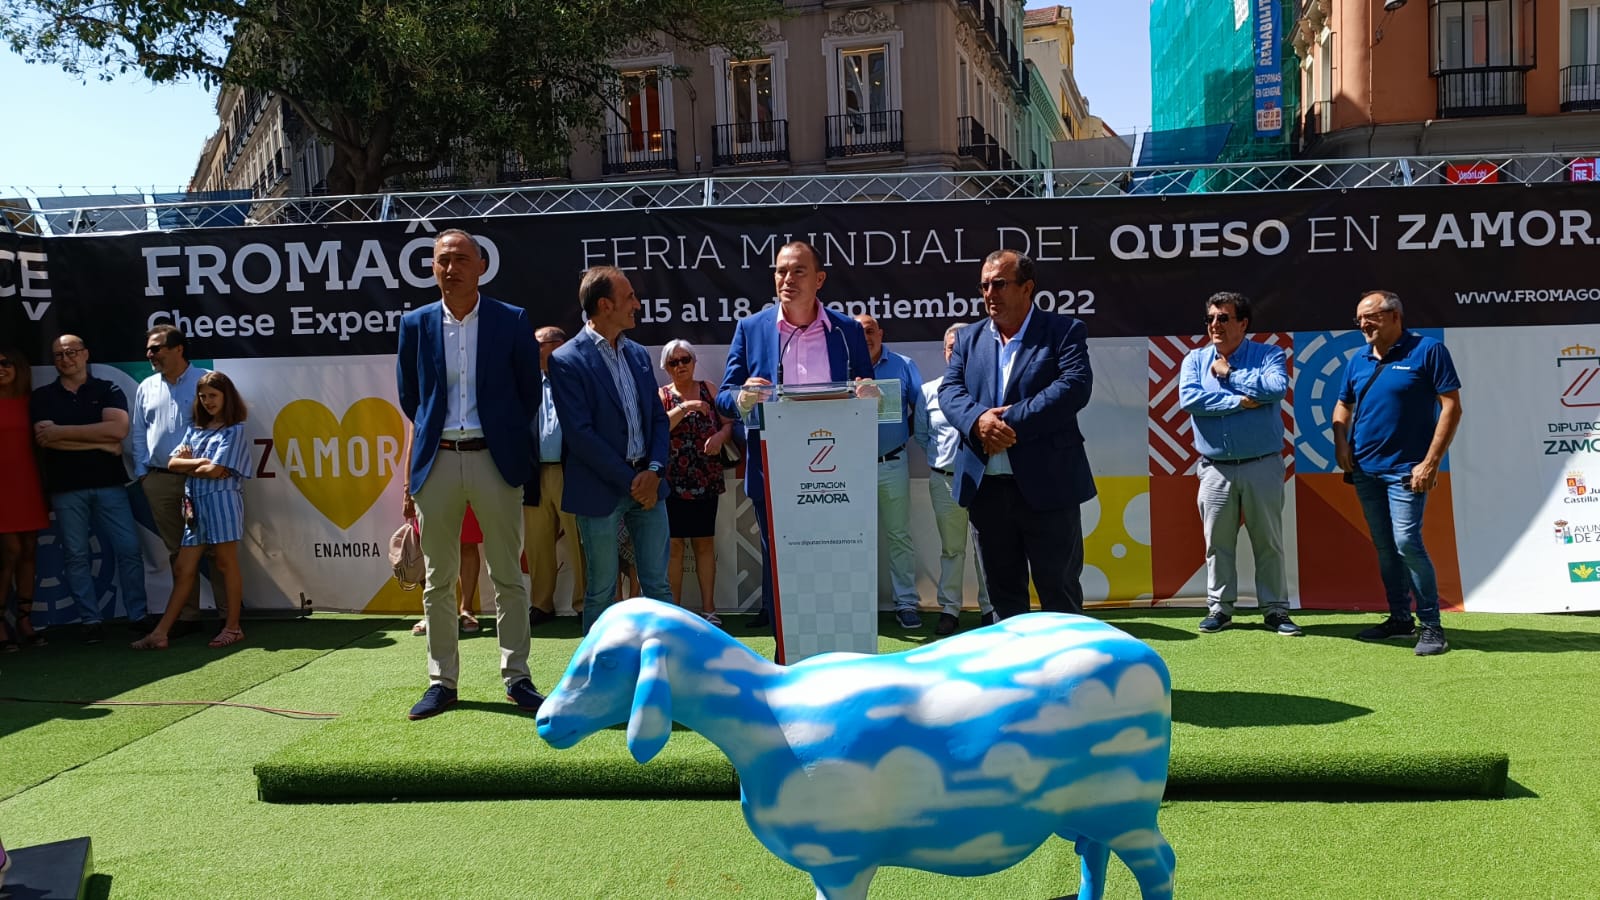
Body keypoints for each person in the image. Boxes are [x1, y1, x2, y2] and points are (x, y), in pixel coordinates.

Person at [396, 228, 544, 720]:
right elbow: (411, 398)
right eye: (441, 260)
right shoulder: (415, 323)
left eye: (460, 259)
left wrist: (500, 436)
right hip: (437, 460)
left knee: (508, 575)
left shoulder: (512, 320)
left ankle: (517, 677)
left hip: (494, 459)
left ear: (481, 266)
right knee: (439, 579)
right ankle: (442, 682)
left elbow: (528, 394)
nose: (450, 268)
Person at [716, 241, 875, 629]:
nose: (787, 279)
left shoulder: (847, 330)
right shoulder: (752, 328)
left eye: (798, 271)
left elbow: (867, 390)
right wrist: (743, 397)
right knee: (781, 565)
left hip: (836, 474)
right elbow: (724, 397)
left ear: (819, 279)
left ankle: (839, 648)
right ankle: (785, 657)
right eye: (781, 271)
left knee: (837, 560)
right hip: (774, 473)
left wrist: (869, 395)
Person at [939, 250, 1094, 618]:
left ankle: (1068, 674)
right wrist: (979, 421)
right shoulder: (968, 338)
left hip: (1049, 489)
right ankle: (1014, 677)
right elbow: (950, 391)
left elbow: (1074, 387)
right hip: (987, 489)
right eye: (984, 285)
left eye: (999, 284)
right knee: (1003, 599)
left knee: (1060, 594)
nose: (990, 293)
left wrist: (1008, 423)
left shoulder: (1064, 331)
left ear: (1027, 288)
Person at [1334, 289, 1462, 657]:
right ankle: (1399, 619)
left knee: (1407, 542)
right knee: (1386, 547)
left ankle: (1432, 626)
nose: (1362, 324)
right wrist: (1340, 442)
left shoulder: (1428, 351)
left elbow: (1451, 407)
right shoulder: (1357, 358)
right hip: (1365, 470)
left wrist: (1430, 462)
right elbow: (1343, 405)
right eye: (1359, 319)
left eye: (1369, 317)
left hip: (1408, 470)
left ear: (1394, 316)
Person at [549, 266, 673, 636]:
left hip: (649, 484)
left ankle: (665, 667)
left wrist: (653, 470)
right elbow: (581, 435)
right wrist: (633, 480)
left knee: (659, 587)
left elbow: (658, 420)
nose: (637, 303)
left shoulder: (637, 354)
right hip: (600, 489)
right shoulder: (566, 359)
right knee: (601, 591)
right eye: (630, 296)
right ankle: (598, 679)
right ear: (605, 305)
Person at [1178, 292, 1299, 636]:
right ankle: (1220, 609)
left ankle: (1275, 610)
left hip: (1262, 464)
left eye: (1223, 318)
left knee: (1269, 541)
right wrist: (1238, 401)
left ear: (1243, 323)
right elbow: (1191, 400)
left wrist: (1230, 374)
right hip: (1214, 467)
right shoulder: (1194, 360)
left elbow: (1275, 389)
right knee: (1217, 542)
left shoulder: (1269, 354)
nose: (1215, 325)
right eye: (1211, 318)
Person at [31, 335, 148, 643]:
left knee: (129, 550)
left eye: (71, 352)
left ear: (85, 354)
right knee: (76, 555)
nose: (65, 358)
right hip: (66, 488)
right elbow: (45, 439)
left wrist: (61, 433)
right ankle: (90, 620)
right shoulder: (43, 396)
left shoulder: (107, 389)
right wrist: (99, 441)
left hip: (110, 484)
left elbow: (118, 431)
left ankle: (138, 615)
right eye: (58, 354)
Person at [131, 371, 252, 650]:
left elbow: (215, 471)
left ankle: (233, 627)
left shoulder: (234, 430)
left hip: (222, 502)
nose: (207, 401)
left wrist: (194, 464)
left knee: (224, 563)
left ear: (226, 397)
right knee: (183, 567)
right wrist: (202, 463)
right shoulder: (195, 429)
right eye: (203, 396)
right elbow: (174, 464)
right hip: (194, 507)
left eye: (213, 395)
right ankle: (161, 633)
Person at [130, 324, 215, 635]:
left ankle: (226, 614)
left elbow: (224, 424)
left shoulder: (205, 381)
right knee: (177, 550)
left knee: (215, 546)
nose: (150, 354)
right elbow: (139, 433)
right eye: (149, 349)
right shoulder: (146, 387)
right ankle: (188, 616)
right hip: (160, 480)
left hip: (201, 479)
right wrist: (143, 474)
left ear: (178, 349)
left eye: (156, 348)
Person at [913, 324, 997, 636]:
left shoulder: (989, 387)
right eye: (950, 346)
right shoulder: (928, 391)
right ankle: (950, 610)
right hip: (945, 480)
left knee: (987, 548)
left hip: (985, 480)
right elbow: (923, 436)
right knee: (952, 549)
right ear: (944, 351)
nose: (954, 351)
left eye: (960, 345)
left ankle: (991, 609)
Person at [853, 313, 925, 628]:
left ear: (881, 333)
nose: (865, 337)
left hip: (892, 463)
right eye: (859, 333)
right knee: (852, 538)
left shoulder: (904, 365)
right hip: (849, 467)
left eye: (870, 330)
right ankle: (856, 604)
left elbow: (920, 410)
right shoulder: (840, 366)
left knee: (898, 536)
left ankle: (906, 603)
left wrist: (902, 434)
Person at [657, 339, 732, 626]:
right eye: (673, 362)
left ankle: (709, 610)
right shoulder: (662, 395)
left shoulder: (709, 389)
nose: (680, 366)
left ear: (694, 361)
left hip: (705, 475)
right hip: (672, 479)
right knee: (674, 546)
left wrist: (720, 437)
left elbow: (728, 424)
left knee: (704, 543)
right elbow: (660, 426)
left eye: (684, 359)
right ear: (665, 367)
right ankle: (674, 613)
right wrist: (686, 406)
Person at [524, 325, 585, 627]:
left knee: (579, 542)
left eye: (539, 344)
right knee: (537, 545)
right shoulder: (526, 384)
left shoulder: (575, 380)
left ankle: (585, 604)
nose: (533, 350)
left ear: (558, 345)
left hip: (570, 473)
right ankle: (541, 604)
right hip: (534, 474)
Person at [0, 348, 48, 650]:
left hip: (31, 485)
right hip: (2, 489)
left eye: (5, 363)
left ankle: (24, 619)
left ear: (19, 367)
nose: (0, 368)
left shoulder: (33, 403)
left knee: (29, 549)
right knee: (10, 552)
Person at [410, 505, 484, 636]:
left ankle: (466, 610)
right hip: (427, 486)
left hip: (467, 486)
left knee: (468, 542)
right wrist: (407, 493)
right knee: (429, 545)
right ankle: (434, 612)